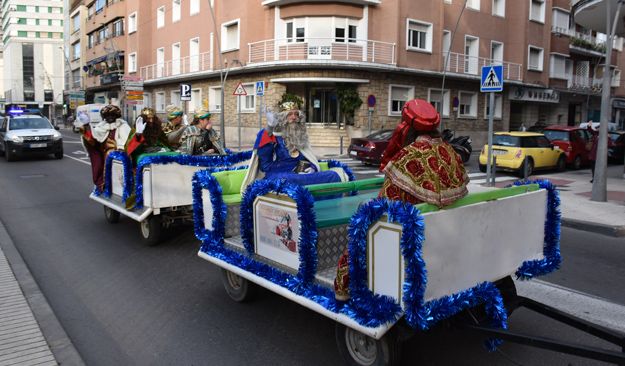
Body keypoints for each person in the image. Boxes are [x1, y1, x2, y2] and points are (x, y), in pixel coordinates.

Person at [334, 99, 469, 301]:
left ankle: (343, 289)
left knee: (362, 225)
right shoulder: (450, 152)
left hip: (408, 235)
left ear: (407, 127)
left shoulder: (408, 156)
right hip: (444, 232)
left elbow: (385, 204)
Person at [241, 101, 347, 193]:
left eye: (296, 114)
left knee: (333, 175)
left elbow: (309, 158)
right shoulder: (274, 135)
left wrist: (313, 167)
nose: (294, 117)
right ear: (282, 118)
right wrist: (269, 127)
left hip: (300, 175)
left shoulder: (301, 135)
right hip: (279, 174)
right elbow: (265, 166)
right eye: (290, 114)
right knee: (284, 180)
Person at [81, 105, 131, 191]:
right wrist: (86, 126)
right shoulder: (101, 127)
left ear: (116, 116)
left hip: (121, 154)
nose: (110, 118)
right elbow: (93, 139)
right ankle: (106, 186)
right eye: (107, 116)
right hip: (106, 155)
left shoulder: (123, 126)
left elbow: (129, 141)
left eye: (112, 115)